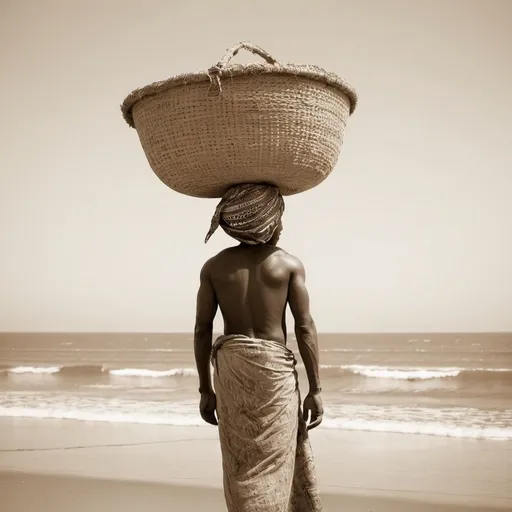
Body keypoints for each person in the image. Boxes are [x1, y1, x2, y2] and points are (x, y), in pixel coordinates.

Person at [194, 183, 323, 511]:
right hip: (274, 378)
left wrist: (205, 390)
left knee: (242, 464)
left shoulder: (214, 267)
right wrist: (316, 389)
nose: (281, 225)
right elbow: (304, 328)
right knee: (275, 461)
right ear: (266, 222)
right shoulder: (288, 265)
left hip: (233, 375)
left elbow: (202, 329)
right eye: (278, 217)